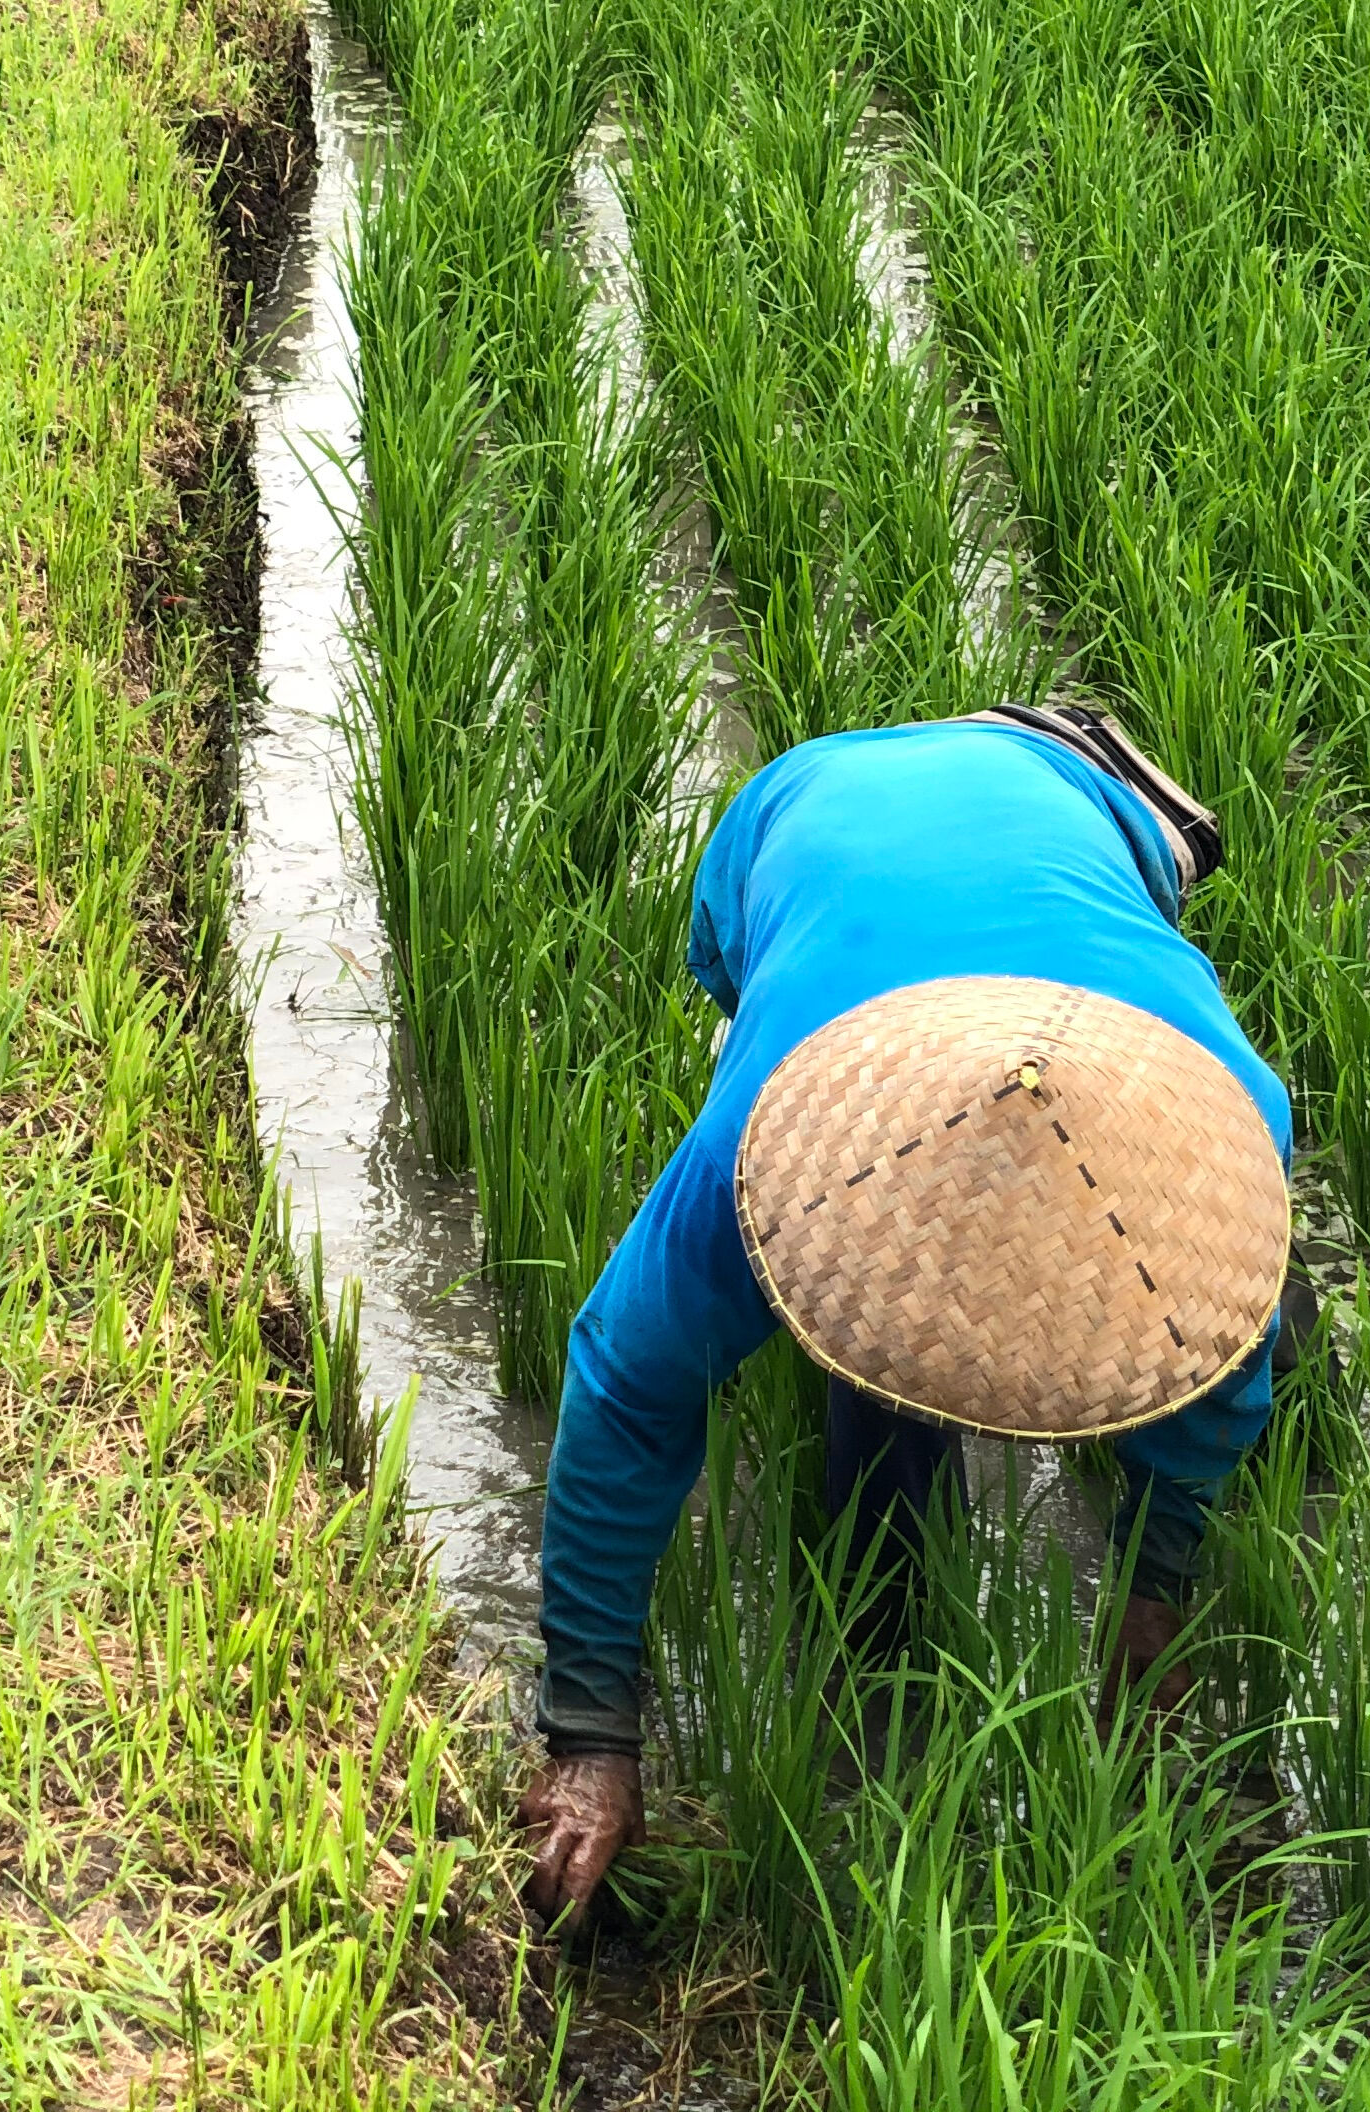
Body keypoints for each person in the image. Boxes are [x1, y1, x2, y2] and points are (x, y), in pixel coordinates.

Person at [516, 706, 1293, 1926]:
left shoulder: (1231, 1119)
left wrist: (1157, 1600)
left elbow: (1211, 1369)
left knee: (1251, 1332)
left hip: (1067, 809)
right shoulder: (758, 1149)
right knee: (879, 1398)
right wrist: (591, 1730)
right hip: (797, 819)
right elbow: (627, 1384)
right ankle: (877, 1614)